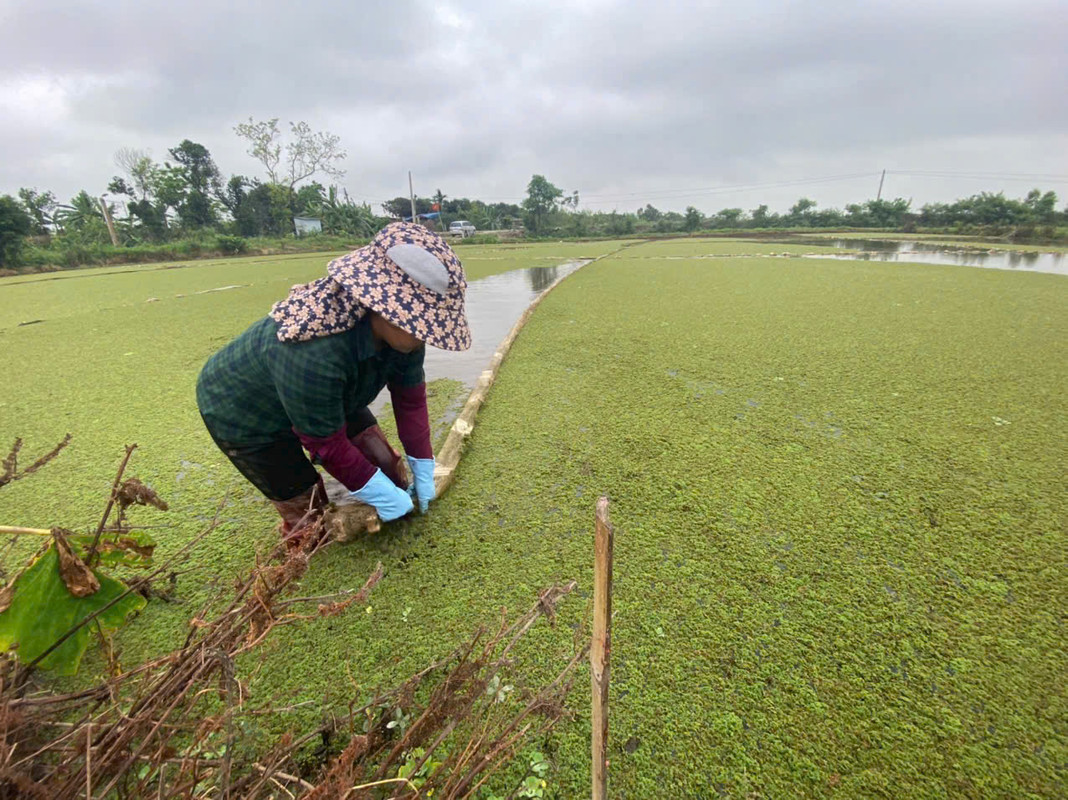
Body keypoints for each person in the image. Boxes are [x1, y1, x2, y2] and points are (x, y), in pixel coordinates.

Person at [196, 222, 471, 546]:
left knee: (388, 469)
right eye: (419, 324)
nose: (426, 334)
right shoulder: (315, 350)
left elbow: (410, 400)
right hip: (247, 415)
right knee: (310, 520)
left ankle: (381, 495)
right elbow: (324, 442)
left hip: (332, 397)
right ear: (382, 306)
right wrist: (379, 497)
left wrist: (423, 464)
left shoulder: (406, 338)